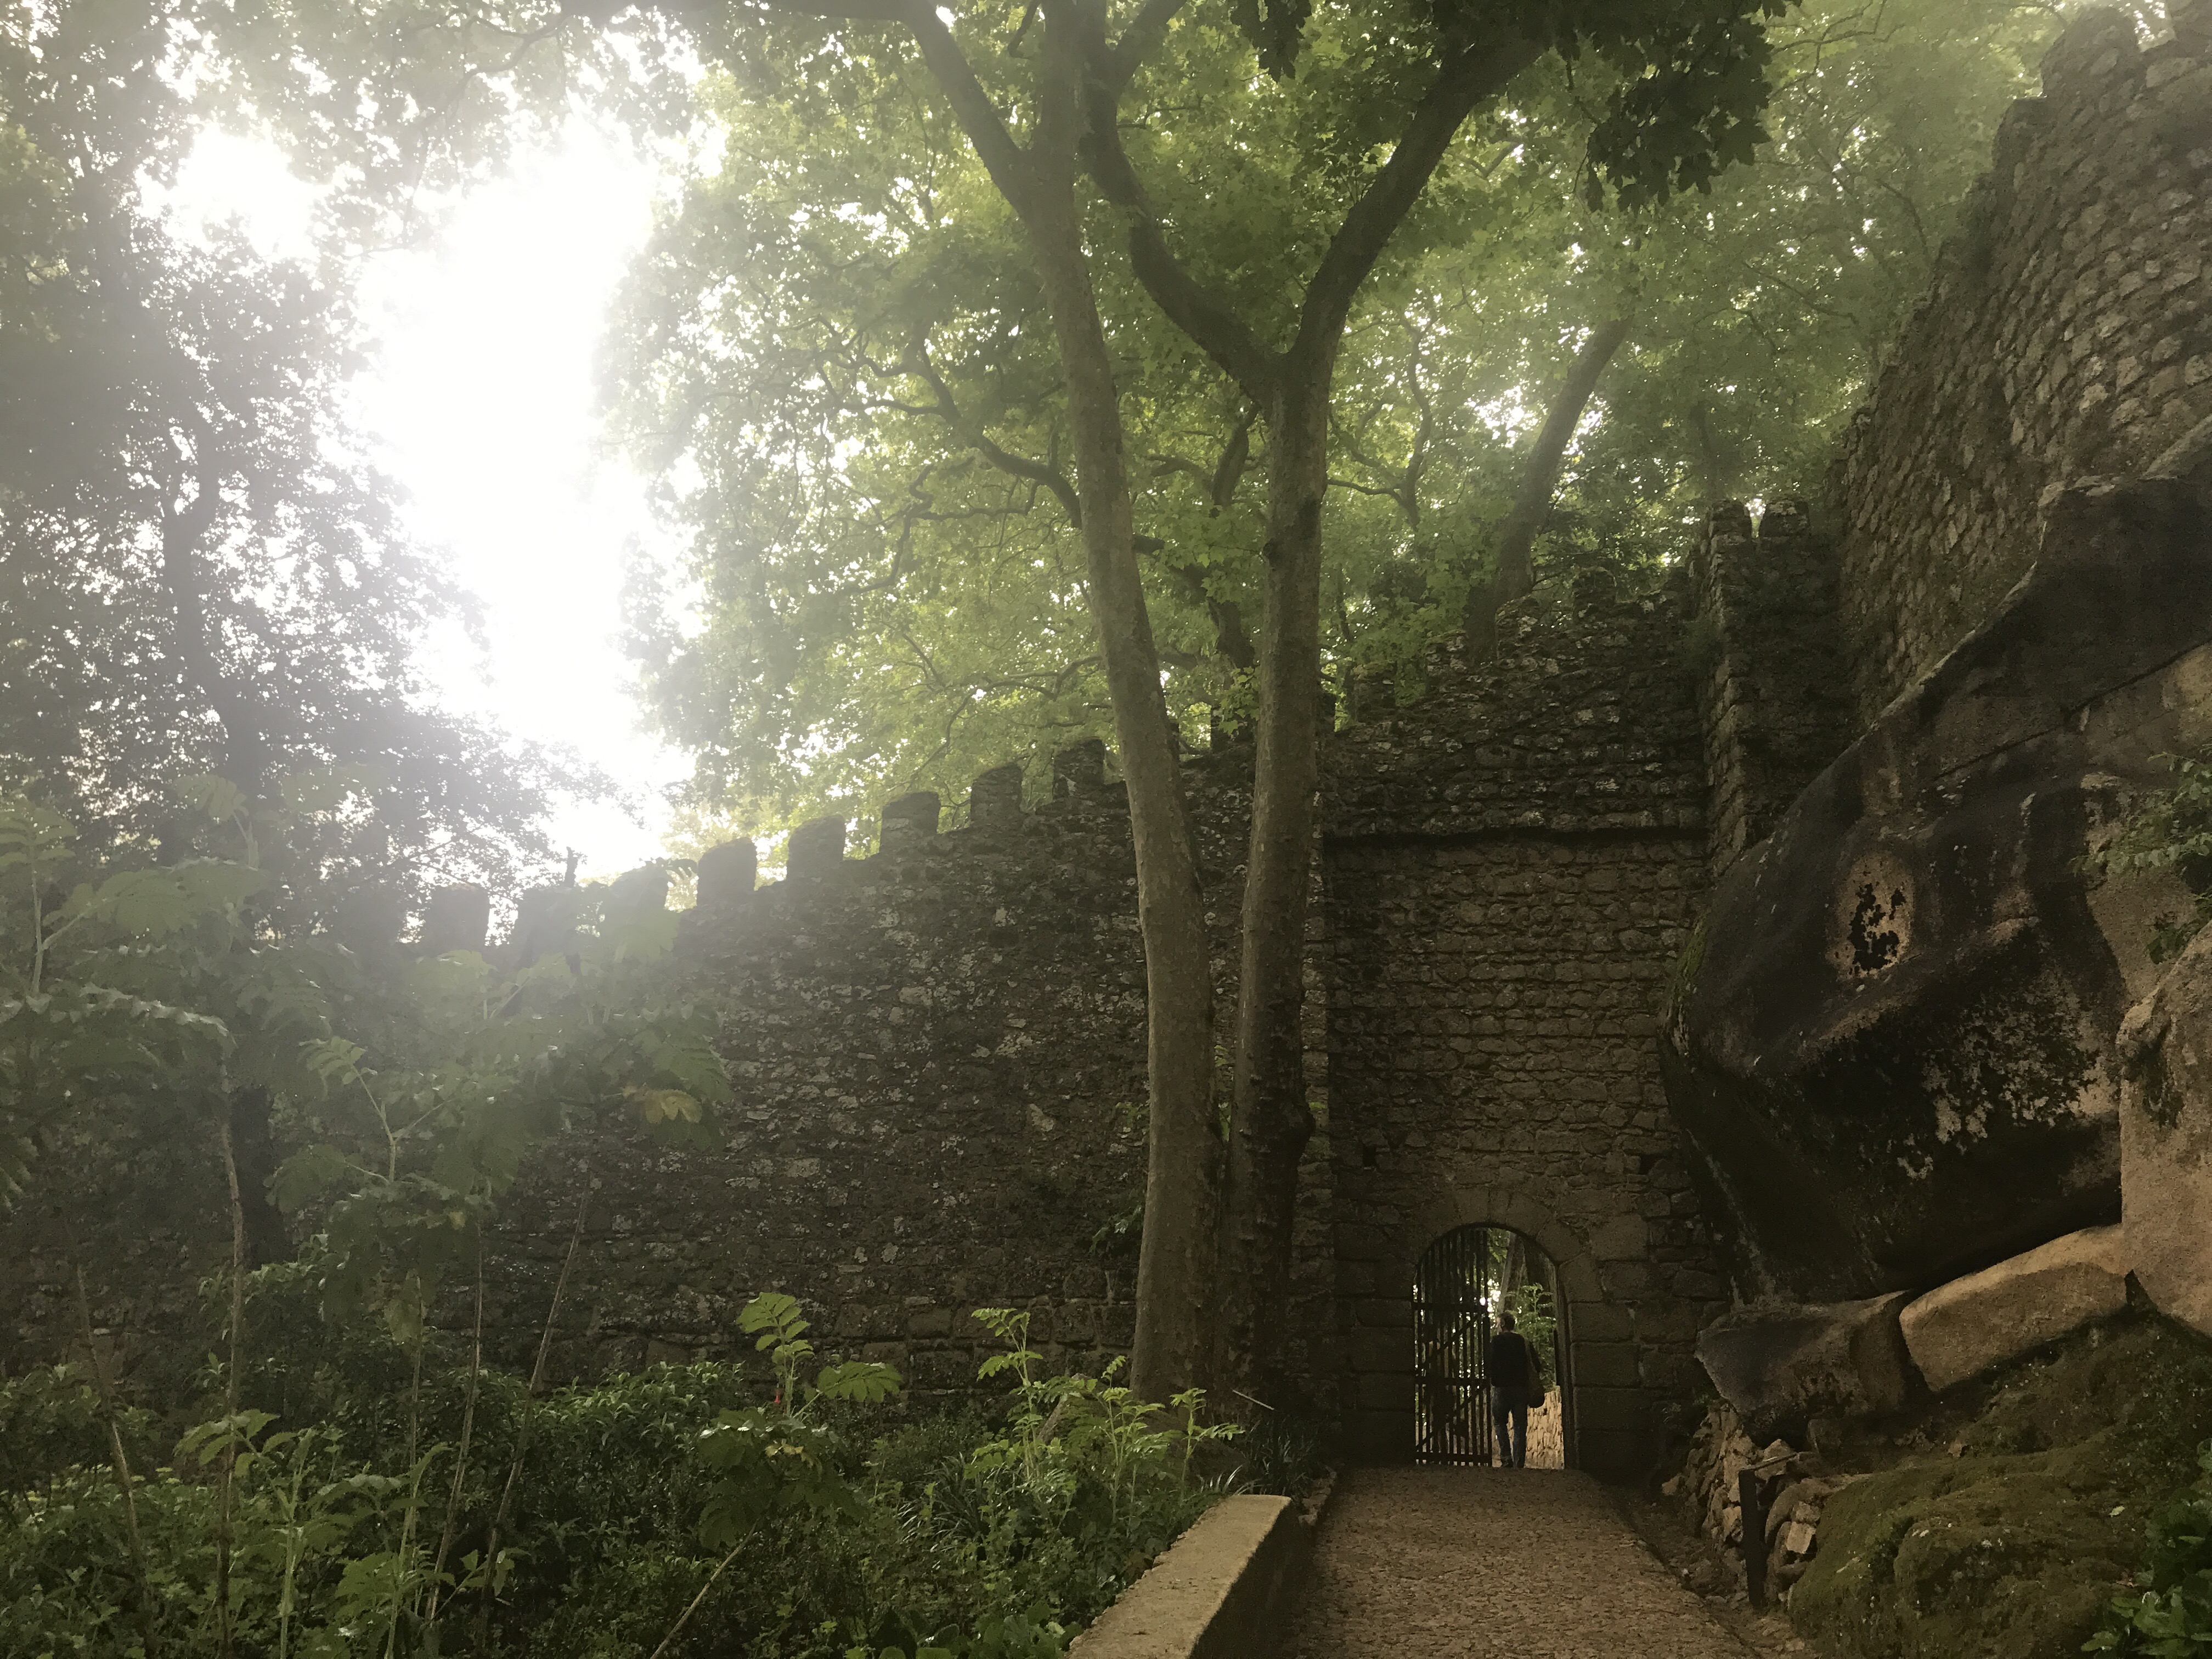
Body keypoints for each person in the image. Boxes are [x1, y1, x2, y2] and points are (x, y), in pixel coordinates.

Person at [1489, 1312, 1536, 1469]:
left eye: (1498, 1323)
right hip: (1520, 1389)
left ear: (1503, 1324)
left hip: (1502, 1389)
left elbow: (1490, 1363)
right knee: (1520, 1426)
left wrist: (1494, 1380)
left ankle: (1506, 1458)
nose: (1497, 1326)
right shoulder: (1524, 1342)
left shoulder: (1496, 1341)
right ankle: (1519, 1462)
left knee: (1499, 1423)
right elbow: (1536, 1365)